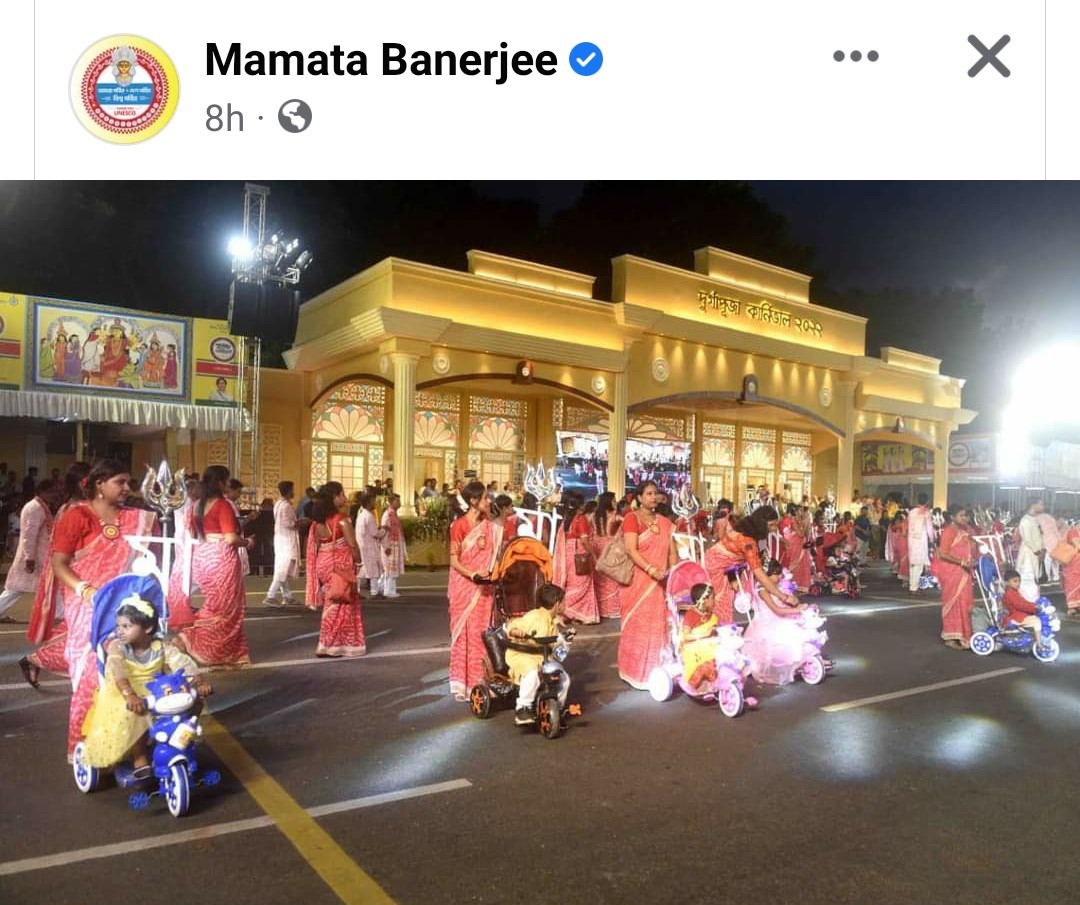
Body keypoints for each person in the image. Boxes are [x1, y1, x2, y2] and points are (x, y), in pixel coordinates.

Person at [42, 460, 156, 758]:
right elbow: (59, 563)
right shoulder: (78, 516)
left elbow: (151, 559)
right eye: (120, 482)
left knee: (135, 670)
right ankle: (88, 746)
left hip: (128, 605)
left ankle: (133, 745)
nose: (127, 489)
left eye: (129, 482)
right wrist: (87, 591)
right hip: (88, 605)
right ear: (99, 485)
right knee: (94, 670)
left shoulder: (137, 518)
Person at [80, 588, 211, 776]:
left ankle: (182, 737)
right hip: (128, 692)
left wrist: (198, 683)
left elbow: (182, 663)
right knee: (138, 714)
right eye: (119, 626)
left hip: (158, 689)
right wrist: (129, 694)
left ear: (148, 629)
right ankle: (139, 755)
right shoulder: (119, 648)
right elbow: (118, 671)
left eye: (126, 627)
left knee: (193, 701)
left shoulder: (161, 646)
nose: (120, 631)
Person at [175, 466, 251, 669]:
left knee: (215, 605)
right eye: (226, 482)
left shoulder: (196, 505)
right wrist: (246, 543)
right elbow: (231, 538)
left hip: (202, 555)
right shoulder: (222, 505)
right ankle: (190, 641)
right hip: (221, 557)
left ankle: (205, 647)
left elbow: (192, 534)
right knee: (226, 610)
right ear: (219, 483)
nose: (228, 485)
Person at [618, 480, 678, 690]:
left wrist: (673, 574)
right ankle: (634, 672)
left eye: (655, 494)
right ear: (640, 498)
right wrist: (653, 570)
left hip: (661, 582)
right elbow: (631, 550)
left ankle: (657, 670)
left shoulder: (665, 522)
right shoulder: (631, 519)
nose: (653, 497)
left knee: (659, 624)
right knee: (637, 624)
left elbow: (672, 552)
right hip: (639, 581)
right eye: (649, 494)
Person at [447, 481, 503, 700]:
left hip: (485, 588)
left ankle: (483, 680)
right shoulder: (459, 526)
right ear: (473, 501)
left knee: (484, 633)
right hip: (465, 587)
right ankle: (464, 683)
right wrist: (472, 574)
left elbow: (495, 551)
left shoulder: (489, 525)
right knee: (465, 633)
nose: (489, 501)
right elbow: (453, 561)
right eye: (485, 498)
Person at [306, 482, 367, 658]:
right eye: (342, 495)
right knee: (343, 603)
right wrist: (359, 563)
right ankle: (331, 643)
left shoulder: (317, 523)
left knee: (331, 601)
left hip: (323, 564)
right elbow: (353, 545)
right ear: (333, 498)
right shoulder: (342, 520)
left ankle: (332, 642)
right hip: (340, 566)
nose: (345, 498)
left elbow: (316, 546)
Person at [506, 582, 569, 725]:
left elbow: (559, 652)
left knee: (564, 678)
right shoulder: (534, 616)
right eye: (564, 602)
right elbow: (512, 625)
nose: (566, 604)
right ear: (557, 604)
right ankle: (523, 707)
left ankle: (557, 708)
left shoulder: (554, 622)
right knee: (533, 674)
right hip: (523, 655)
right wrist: (517, 631)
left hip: (543, 657)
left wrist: (565, 642)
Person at [0, 480, 60, 623]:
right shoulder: (35, 508)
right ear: (41, 492)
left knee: (52, 585)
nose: (54, 495)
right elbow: (29, 534)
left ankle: (59, 614)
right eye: (51, 492)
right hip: (34, 557)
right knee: (16, 588)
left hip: (39, 555)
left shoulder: (40, 506)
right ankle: (59, 614)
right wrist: (29, 558)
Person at [934, 507, 978, 650]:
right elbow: (942, 554)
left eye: (966, 515)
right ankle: (950, 637)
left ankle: (963, 635)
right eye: (961, 515)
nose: (965, 518)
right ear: (952, 517)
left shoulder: (966, 531)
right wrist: (961, 562)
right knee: (953, 603)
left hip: (964, 571)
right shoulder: (949, 531)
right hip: (952, 571)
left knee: (964, 603)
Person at [553, 490, 600, 624]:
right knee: (581, 587)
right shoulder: (581, 519)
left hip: (567, 557)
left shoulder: (567, 520)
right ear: (579, 505)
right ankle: (564, 611)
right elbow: (585, 541)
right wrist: (594, 555)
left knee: (571, 585)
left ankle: (573, 615)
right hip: (580, 557)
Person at [165, 476, 201, 629]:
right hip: (186, 539)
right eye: (198, 488)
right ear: (191, 489)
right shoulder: (185, 502)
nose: (200, 491)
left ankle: (183, 602)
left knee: (190, 573)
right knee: (188, 572)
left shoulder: (187, 501)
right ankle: (179, 602)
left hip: (185, 538)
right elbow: (188, 522)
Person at [680, 583, 723, 691]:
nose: (715, 601)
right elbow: (685, 636)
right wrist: (705, 634)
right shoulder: (691, 614)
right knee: (708, 661)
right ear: (704, 600)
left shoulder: (710, 614)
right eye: (713, 598)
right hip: (693, 647)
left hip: (709, 644)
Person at [266, 481, 301, 606]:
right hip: (286, 540)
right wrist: (299, 523)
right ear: (288, 491)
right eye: (292, 489)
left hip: (281, 539)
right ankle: (271, 595)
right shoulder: (286, 506)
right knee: (283, 568)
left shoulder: (278, 504)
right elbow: (288, 523)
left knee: (283, 568)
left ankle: (287, 596)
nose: (294, 492)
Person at [591, 491, 622, 619]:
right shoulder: (614, 515)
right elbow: (628, 523)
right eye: (614, 501)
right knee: (612, 580)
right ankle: (612, 610)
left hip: (596, 547)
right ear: (608, 502)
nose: (616, 503)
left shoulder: (594, 516)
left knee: (600, 580)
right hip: (609, 548)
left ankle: (602, 610)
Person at [1000, 567, 1045, 646]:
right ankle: (1039, 644)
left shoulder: (1014, 592)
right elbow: (1020, 605)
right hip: (1016, 616)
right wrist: (1034, 607)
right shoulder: (1010, 594)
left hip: (1018, 614)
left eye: (1019, 581)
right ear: (1007, 582)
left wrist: (1033, 605)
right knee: (1036, 621)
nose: (1018, 583)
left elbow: (1023, 602)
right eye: (1015, 581)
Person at [355, 491, 385, 597]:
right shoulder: (368, 516)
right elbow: (375, 533)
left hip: (361, 545)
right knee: (373, 571)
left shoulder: (361, 515)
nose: (375, 503)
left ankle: (356, 591)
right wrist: (384, 530)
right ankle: (374, 591)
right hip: (369, 546)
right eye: (373, 501)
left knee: (362, 570)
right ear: (369, 502)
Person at [1017, 498, 1045, 602]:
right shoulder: (1026, 520)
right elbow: (1027, 539)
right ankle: (1027, 602)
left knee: (1034, 577)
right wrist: (1037, 551)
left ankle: (1032, 602)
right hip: (1028, 553)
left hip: (1034, 553)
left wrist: (1041, 550)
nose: (1043, 507)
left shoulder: (1034, 519)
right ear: (1034, 505)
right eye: (1041, 504)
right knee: (1027, 577)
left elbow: (1038, 536)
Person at [380, 493, 406, 598]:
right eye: (397, 501)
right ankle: (388, 590)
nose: (399, 503)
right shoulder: (388, 515)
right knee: (389, 568)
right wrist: (386, 546)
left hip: (395, 544)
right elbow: (384, 531)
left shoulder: (394, 514)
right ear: (391, 502)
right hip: (390, 545)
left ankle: (391, 589)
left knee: (393, 569)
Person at [1061, 520, 1080, 618]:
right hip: (1072, 564)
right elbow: (1078, 545)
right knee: (1072, 585)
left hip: (1077, 564)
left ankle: (1077, 605)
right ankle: (1071, 607)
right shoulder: (1073, 532)